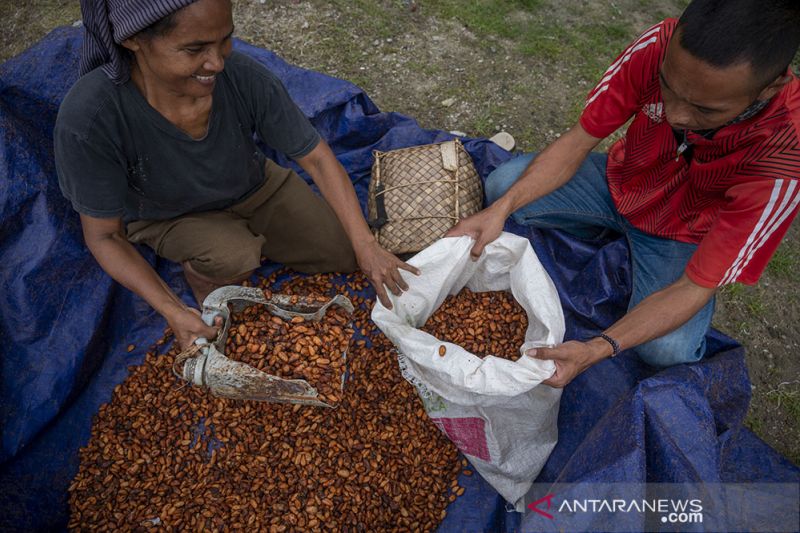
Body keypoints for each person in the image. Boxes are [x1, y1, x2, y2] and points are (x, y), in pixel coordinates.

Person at [448, 0, 800, 387]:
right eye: (667, 86)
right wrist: (501, 208)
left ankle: (624, 252)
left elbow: (696, 285)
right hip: (623, 182)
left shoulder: (785, 153)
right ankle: (610, 238)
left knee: (667, 351)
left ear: (770, 88)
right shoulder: (658, 44)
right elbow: (579, 141)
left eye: (705, 109)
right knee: (503, 187)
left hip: (683, 233)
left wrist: (598, 347)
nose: (676, 114)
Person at [54, 0, 418, 350]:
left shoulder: (242, 75)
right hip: (166, 214)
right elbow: (105, 237)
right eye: (195, 49)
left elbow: (319, 160)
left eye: (224, 39)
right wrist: (174, 310)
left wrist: (366, 246)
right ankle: (202, 273)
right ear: (133, 40)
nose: (216, 62)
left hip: (253, 186)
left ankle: (249, 235)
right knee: (235, 255)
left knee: (342, 251)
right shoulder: (91, 118)